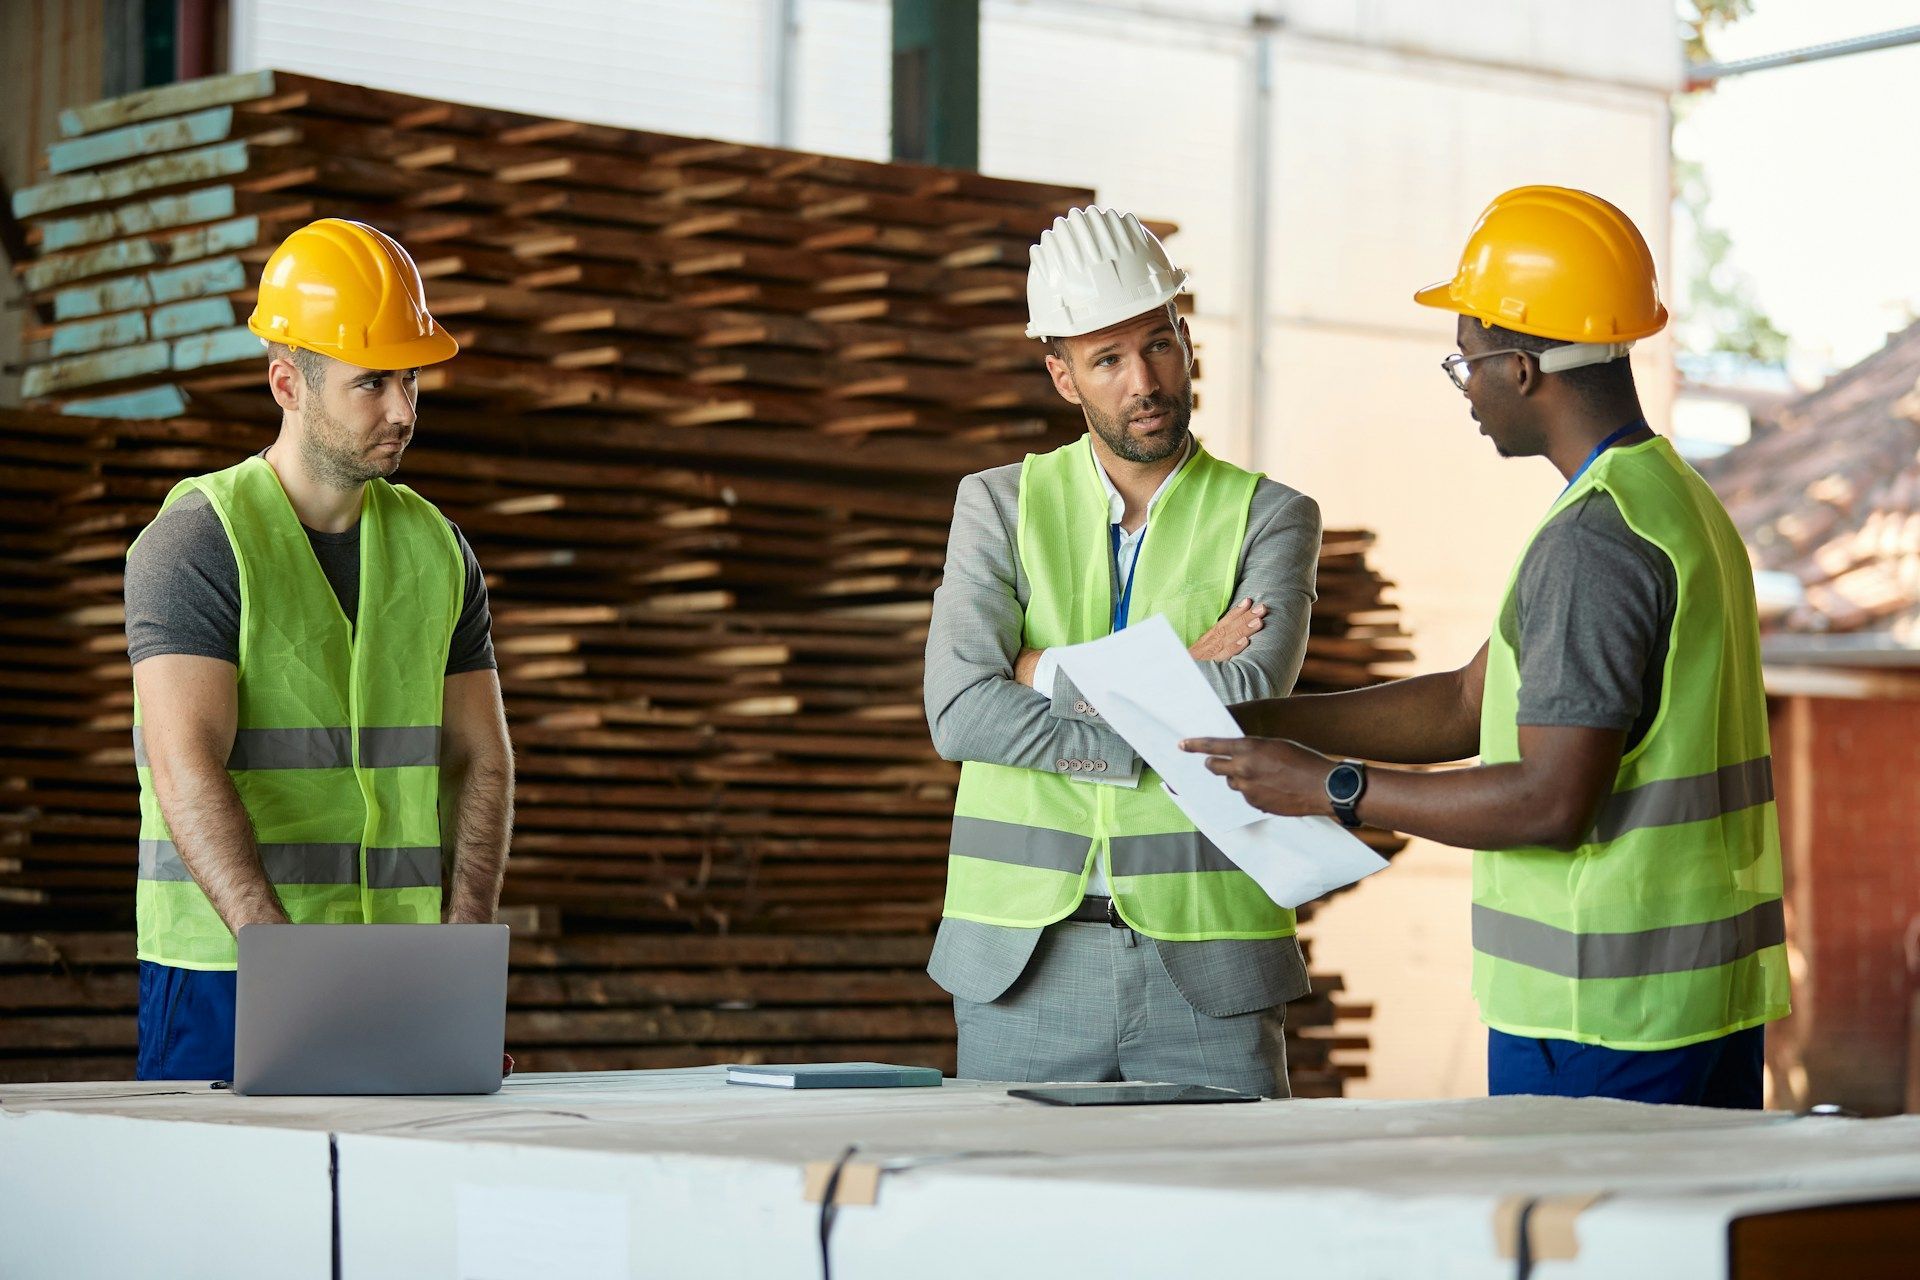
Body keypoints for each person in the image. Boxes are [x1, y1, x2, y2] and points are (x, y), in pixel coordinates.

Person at [1181, 186, 1790, 1107]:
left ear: (1522, 368)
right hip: (1696, 1005)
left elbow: (1550, 801)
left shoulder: (1593, 542)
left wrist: (1330, 787)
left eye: (1464, 361)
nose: (1463, 387)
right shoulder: (1669, 499)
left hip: (1598, 1021)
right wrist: (1253, 719)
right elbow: (1472, 701)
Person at [923, 206, 1325, 1096]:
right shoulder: (997, 505)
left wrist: (1037, 670)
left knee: (1226, 1231)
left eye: (1160, 344)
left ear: (1187, 341)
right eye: (1107, 359)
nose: (1144, 380)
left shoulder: (1272, 516)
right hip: (1020, 963)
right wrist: (1172, 679)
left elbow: (1242, 696)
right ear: (1063, 377)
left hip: (1210, 968)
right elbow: (957, 712)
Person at [125, 219, 515, 1081]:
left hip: (403, 972)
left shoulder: (437, 549)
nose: (403, 411)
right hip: (226, 972)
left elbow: (480, 763)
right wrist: (284, 972)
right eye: (370, 383)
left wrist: (464, 963)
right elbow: (187, 766)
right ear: (287, 384)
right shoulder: (198, 541)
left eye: (410, 379)